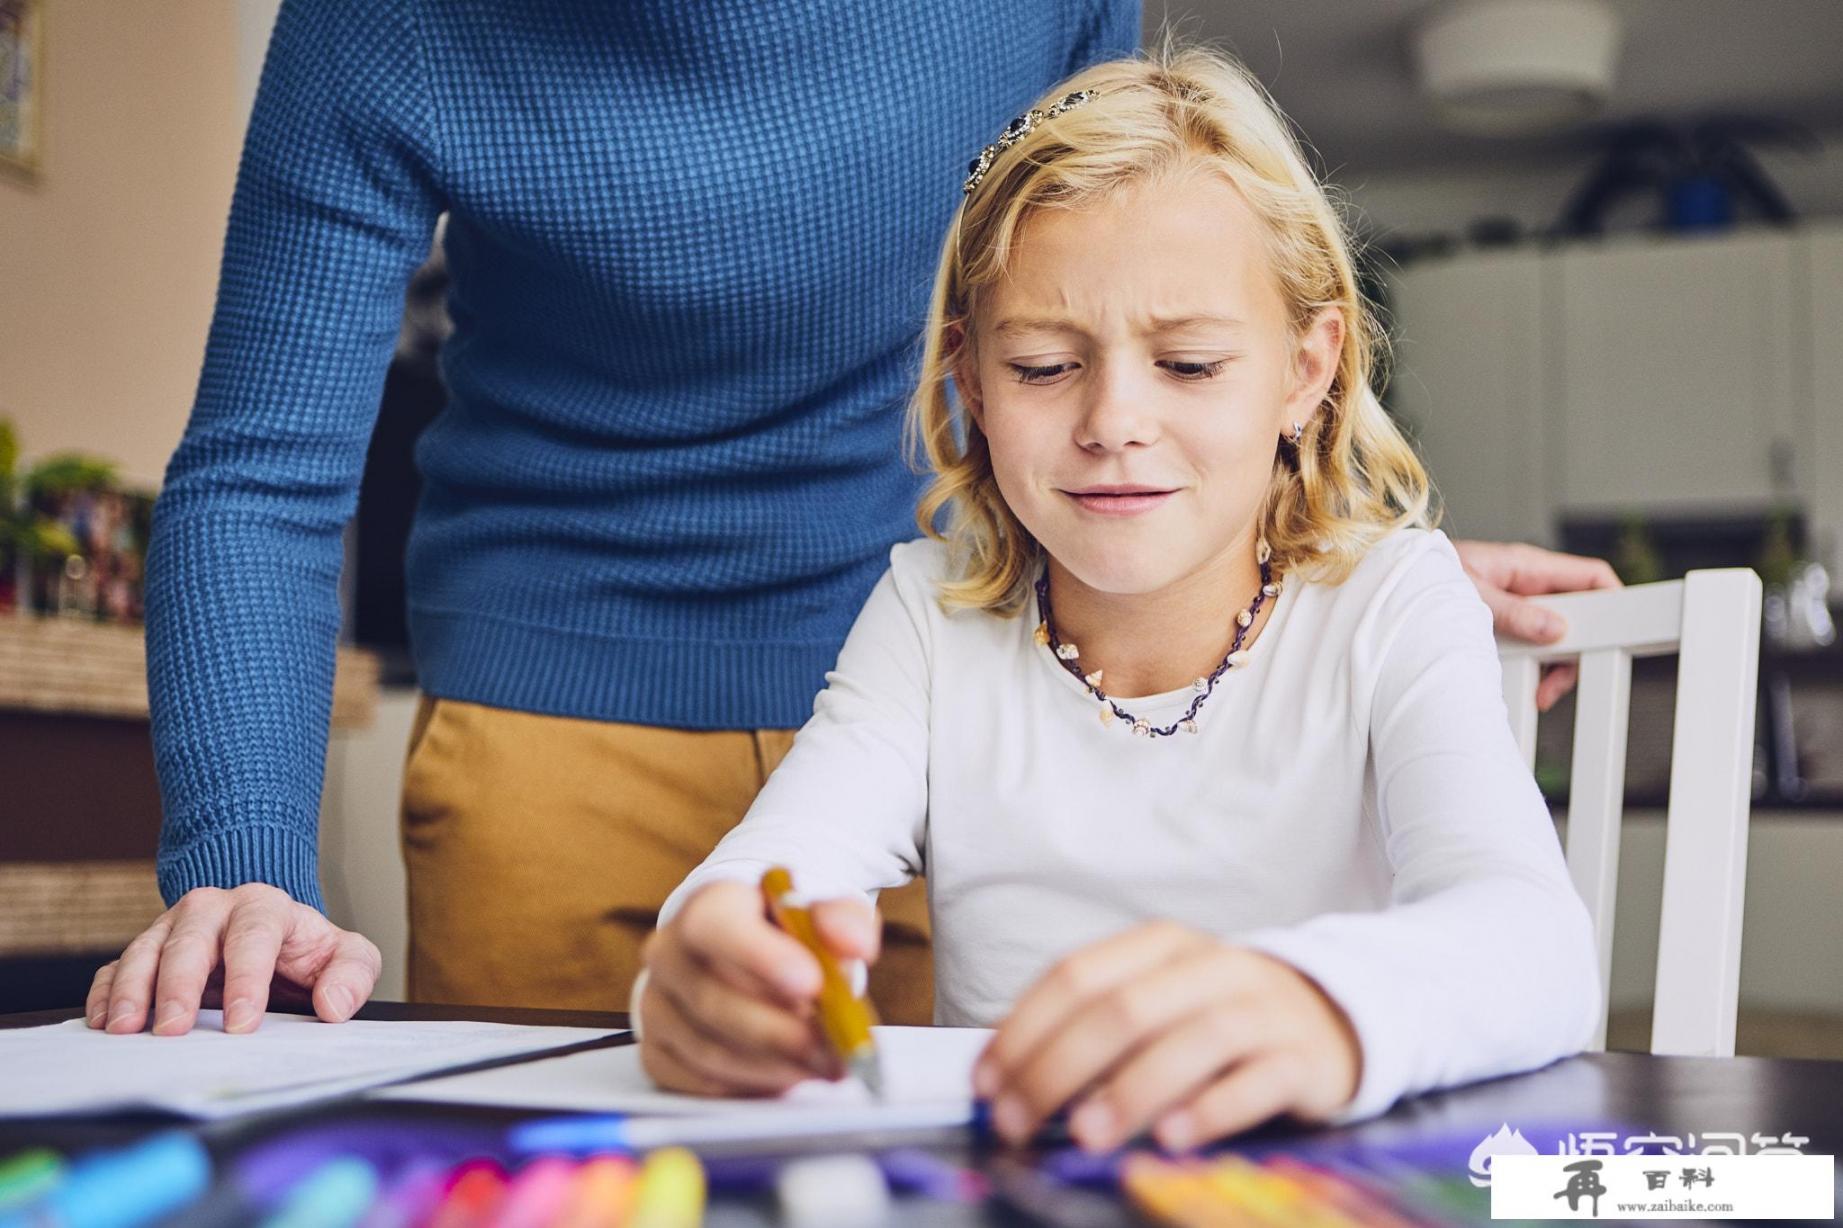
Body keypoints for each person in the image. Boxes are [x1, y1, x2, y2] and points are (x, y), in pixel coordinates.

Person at [88, 1, 1613, 1041]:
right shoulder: (385, 28)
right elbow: (264, 470)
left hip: (956, 654)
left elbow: (1109, 285)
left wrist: (1297, 565)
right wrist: (240, 859)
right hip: (557, 706)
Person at [636, 44, 1604, 1150]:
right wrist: (708, 958)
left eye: (1188, 364)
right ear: (972, 385)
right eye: (1044, 366)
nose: (1113, 424)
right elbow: (763, 881)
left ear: (1305, 370)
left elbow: (1533, 939)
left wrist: (1319, 1006)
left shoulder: (1393, 602)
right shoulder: (929, 613)